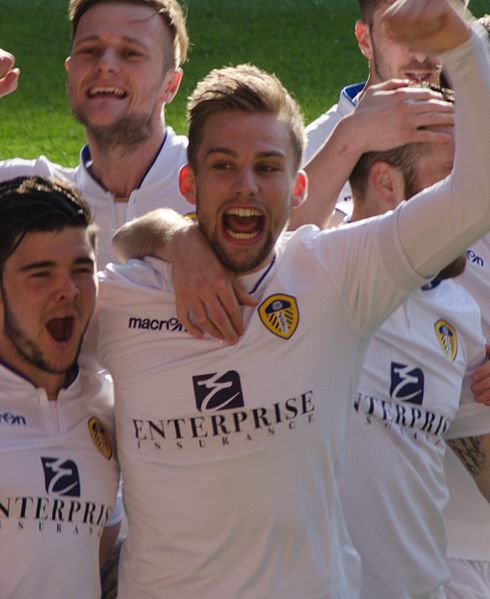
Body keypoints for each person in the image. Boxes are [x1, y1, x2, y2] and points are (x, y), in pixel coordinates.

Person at [87, 2, 490, 596]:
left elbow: (471, 199)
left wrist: (464, 50)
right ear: (188, 184)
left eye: (268, 168)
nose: (247, 185)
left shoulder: (334, 276)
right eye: (223, 165)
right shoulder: (122, 301)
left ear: (298, 186)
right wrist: (165, 235)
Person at [337, 119, 490, 597]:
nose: (475, 207)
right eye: (452, 180)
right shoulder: (311, 275)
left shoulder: (457, 311)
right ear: (386, 183)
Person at [0, 176, 121, 598]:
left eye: (81, 270)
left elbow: (101, 547)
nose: (67, 291)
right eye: (41, 274)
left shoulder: (105, 403)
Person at [0, 0, 189, 269]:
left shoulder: (224, 181)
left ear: (170, 85)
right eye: (89, 50)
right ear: (70, 73)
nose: (105, 64)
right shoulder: (24, 194)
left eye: (130, 53)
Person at [290, 0, 471, 230]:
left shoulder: (475, 132)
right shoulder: (307, 155)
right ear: (365, 40)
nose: (420, 54)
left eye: (435, 30)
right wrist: (351, 139)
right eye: (399, 33)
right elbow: (281, 249)